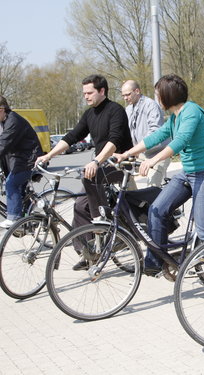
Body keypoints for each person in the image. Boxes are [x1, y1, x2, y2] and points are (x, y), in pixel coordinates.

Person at [114, 74, 204, 278]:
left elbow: (181, 140)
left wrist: (152, 161)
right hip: (188, 173)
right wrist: (127, 153)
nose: (157, 100)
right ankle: (157, 261)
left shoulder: (191, 111)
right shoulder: (174, 117)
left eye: (158, 95)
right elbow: (157, 136)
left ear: (168, 95)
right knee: (157, 209)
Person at [36, 74, 133, 269]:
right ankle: (88, 253)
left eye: (89, 93)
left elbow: (114, 142)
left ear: (102, 91)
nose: (86, 97)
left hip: (119, 165)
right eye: (84, 93)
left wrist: (96, 160)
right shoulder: (89, 114)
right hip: (100, 167)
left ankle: (103, 221)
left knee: (92, 178)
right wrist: (49, 156)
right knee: (80, 207)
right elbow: (72, 136)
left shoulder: (116, 111)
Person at [0, 96, 43, 229]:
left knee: (11, 184)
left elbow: (3, 144)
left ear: (1, 109)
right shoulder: (3, 121)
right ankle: (26, 222)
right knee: (18, 190)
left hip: (29, 160)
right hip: (18, 160)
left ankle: (14, 218)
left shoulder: (13, 121)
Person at [121, 80, 170, 187]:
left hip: (158, 154)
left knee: (152, 186)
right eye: (123, 95)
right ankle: (134, 203)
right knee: (124, 181)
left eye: (128, 94)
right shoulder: (128, 109)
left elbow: (155, 132)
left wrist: (137, 149)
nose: (125, 98)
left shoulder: (150, 105)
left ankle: (152, 202)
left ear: (137, 91)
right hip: (140, 154)